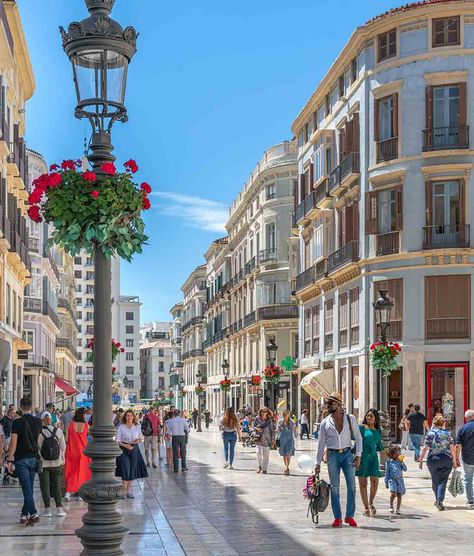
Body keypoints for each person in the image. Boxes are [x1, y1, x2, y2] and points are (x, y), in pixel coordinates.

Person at [314, 392, 362, 528]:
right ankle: (337, 517)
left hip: (347, 454)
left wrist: (358, 455)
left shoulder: (350, 418)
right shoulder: (325, 423)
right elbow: (321, 443)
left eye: (332, 403)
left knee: (351, 486)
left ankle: (349, 516)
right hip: (333, 456)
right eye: (328, 403)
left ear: (340, 405)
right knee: (334, 488)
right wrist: (317, 463)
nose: (329, 406)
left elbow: (358, 437)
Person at [6, 397, 42, 525]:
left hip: (21, 459)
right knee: (29, 488)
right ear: (31, 407)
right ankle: (23, 515)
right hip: (33, 458)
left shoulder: (17, 422)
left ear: (20, 407)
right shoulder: (38, 422)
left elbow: (13, 443)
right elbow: (38, 441)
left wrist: (10, 460)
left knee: (26, 488)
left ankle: (33, 513)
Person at [419, 413, 457, 510]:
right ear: (443, 423)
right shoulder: (447, 433)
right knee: (443, 481)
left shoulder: (430, 433)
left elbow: (425, 448)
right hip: (445, 458)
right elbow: (452, 448)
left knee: (435, 480)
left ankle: (437, 499)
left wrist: (420, 459)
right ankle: (439, 500)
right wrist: (455, 461)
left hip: (433, 459)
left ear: (434, 423)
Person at [38, 411, 67, 517]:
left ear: (41, 420)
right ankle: (60, 508)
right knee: (56, 485)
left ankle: (47, 510)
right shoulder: (58, 431)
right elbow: (63, 447)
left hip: (44, 463)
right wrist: (62, 459)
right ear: (51, 420)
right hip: (57, 462)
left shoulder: (39, 432)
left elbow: (37, 448)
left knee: (45, 486)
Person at [356, 408, 383, 516]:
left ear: (375, 418)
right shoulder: (362, 428)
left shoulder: (378, 430)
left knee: (375, 482)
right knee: (363, 483)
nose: (368, 417)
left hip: (373, 459)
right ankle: (366, 507)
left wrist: (392, 456)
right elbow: (356, 442)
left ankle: (371, 502)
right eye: (367, 415)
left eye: (371, 416)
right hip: (362, 458)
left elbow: (379, 446)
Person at [115, 410, 148, 498]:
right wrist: (126, 446)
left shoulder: (137, 426)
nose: (129, 417)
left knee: (132, 470)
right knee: (125, 468)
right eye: (127, 416)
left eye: (131, 416)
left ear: (133, 417)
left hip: (134, 449)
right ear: (125, 417)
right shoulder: (121, 427)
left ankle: (128, 491)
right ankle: (123, 491)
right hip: (123, 449)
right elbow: (117, 440)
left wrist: (138, 440)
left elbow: (141, 437)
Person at [64, 408, 91, 501]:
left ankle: (68, 492)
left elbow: (66, 439)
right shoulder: (86, 425)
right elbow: (90, 435)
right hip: (83, 451)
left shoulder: (70, 425)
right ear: (82, 415)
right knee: (82, 472)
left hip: (71, 450)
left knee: (70, 471)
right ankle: (80, 493)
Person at [456, 409, 474, 506]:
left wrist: (456, 459)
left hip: (467, 458)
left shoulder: (462, 429)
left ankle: (470, 499)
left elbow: (458, 445)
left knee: (468, 479)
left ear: (466, 417)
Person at [384, 445, 407, 514]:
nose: (397, 455)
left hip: (400, 480)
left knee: (399, 494)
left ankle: (398, 509)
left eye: (398, 453)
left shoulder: (400, 462)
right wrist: (386, 482)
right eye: (396, 454)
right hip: (392, 480)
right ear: (391, 454)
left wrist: (402, 462)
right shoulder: (389, 462)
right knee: (393, 493)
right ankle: (391, 505)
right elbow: (387, 472)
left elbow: (405, 469)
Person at [253, 407, 275, 474]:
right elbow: (253, 427)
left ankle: (264, 469)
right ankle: (259, 466)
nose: (264, 412)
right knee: (258, 453)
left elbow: (272, 430)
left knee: (266, 454)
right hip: (258, 437)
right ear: (260, 411)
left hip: (267, 438)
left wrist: (273, 439)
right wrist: (257, 429)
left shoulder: (269, 420)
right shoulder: (257, 418)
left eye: (265, 411)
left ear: (267, 412)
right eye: (263, 411)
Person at [277, 410, 297, 475]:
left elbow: (295, 432)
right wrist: (278, 429)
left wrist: (295, 431)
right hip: (282, 440)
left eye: (287, 414)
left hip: (290, 440)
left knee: (288, 454)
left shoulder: (292, 422)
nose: (286, 416)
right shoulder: (280, 421)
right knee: (284, 454)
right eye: (285, 414)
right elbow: (278, 430)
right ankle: (286, 466)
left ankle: (286, 467)